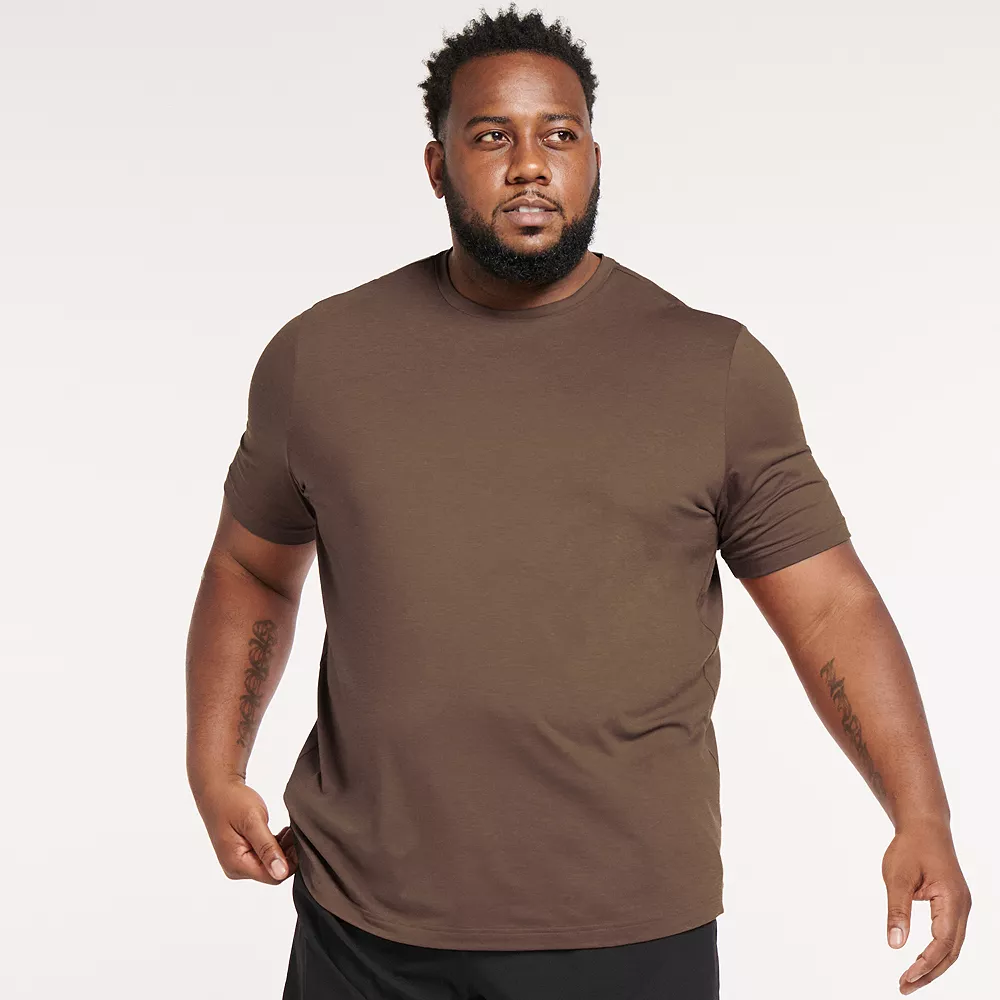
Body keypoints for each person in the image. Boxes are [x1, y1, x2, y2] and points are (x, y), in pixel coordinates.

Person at [186, 5, 971, 998]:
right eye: (490, 137)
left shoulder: (711, 370)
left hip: (622, 931)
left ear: (593, 158)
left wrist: (920, 812)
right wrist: (215, 767)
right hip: (362, 926)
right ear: (436, 167)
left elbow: (828, 608)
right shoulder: (322, 360)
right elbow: (251, 566)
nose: (529, 165)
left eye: (558, 135)